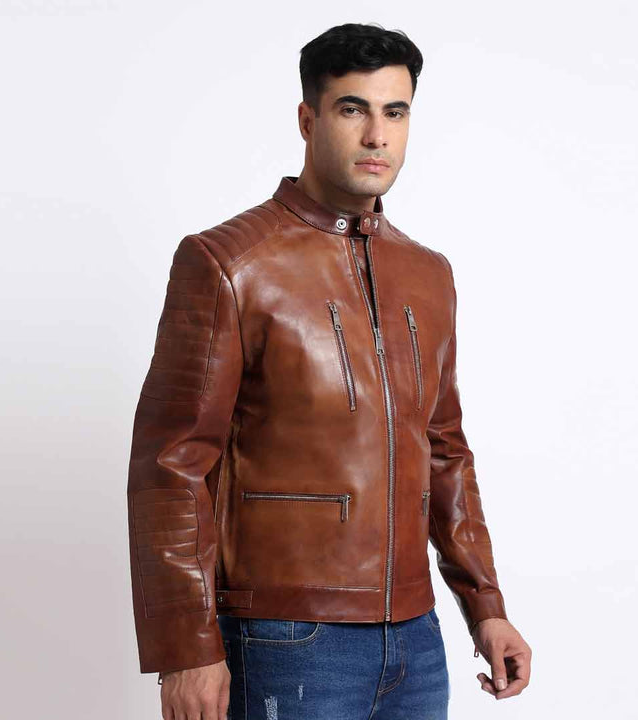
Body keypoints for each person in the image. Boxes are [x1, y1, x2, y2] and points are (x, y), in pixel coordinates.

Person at [126, 21, 531, 720]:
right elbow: (172, 463)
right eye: (353, 109)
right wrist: (186, 646)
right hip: (285, 636)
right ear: (308, 119)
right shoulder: (228, 263)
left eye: (395, 112)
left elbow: (444, 450)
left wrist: (486, 607)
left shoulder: (428, 273)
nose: (377, 135)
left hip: (417, 639)